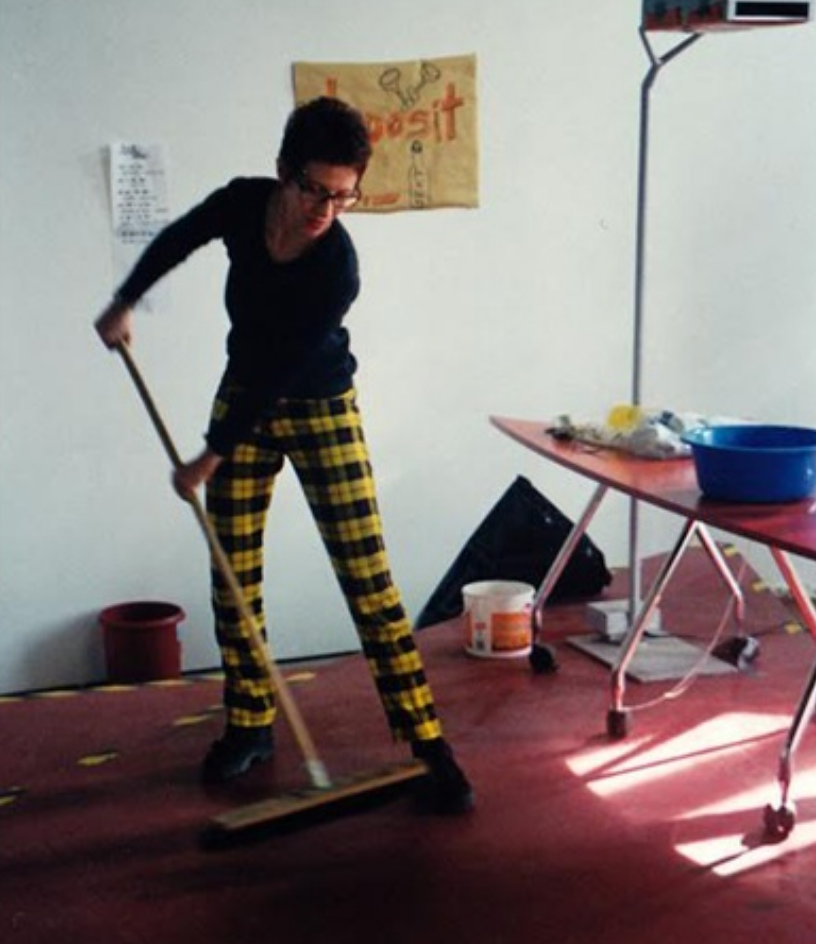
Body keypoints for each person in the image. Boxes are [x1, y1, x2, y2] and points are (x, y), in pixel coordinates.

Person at [95, 96, 473, 814]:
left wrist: (209, 455)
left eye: (342, 195)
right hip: (243, 397)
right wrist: (125, 300)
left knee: (368, 580)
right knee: (232, 569)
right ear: (282, 173)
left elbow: (283, 368)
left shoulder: (338, 266)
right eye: (313, 190)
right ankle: (250, 724)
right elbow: (179, 238)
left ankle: (426, 741)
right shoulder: (244, 205)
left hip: (318, 404)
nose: (325, 209)